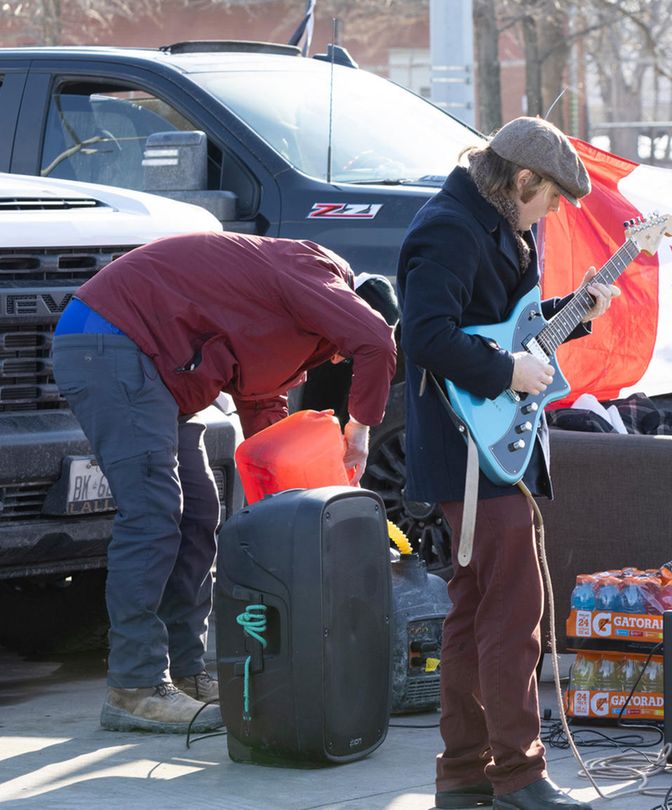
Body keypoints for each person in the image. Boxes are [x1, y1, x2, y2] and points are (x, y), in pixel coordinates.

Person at [50, 232, 399, 733]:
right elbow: (376, 341)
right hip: (112, 342)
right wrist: (359, 430)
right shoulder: (314, 274)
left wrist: (293, 503)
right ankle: (135, 687)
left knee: (197, 516)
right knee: (153, 512)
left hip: (154, 368)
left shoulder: (297, 315)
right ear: (348, 305)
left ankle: (187, 673)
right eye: (343, 349)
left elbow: (262, 408)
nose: (340, 359)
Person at [398, 116, 619, 810]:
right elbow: (426, 335)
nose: (554, 211)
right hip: (470, 447)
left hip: (487, 447)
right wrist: (505, 374)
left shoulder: (497, 222)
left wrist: (574, 312)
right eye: (551, 197)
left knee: (474, 612)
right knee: (513, 612)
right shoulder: (451, 227)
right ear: (522, 178)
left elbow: (506, 324)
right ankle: (519, 776)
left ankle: (463, 775)